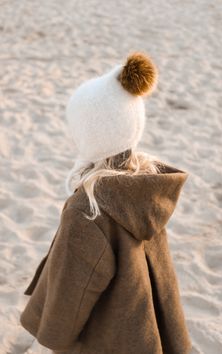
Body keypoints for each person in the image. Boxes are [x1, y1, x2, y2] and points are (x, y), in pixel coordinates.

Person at [20, 52, 192, 354]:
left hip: (107, 340)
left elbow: (70, 300)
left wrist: (48, 337)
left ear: (89, 136)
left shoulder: (88, 211)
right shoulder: (145, 188)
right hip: (144, 333)